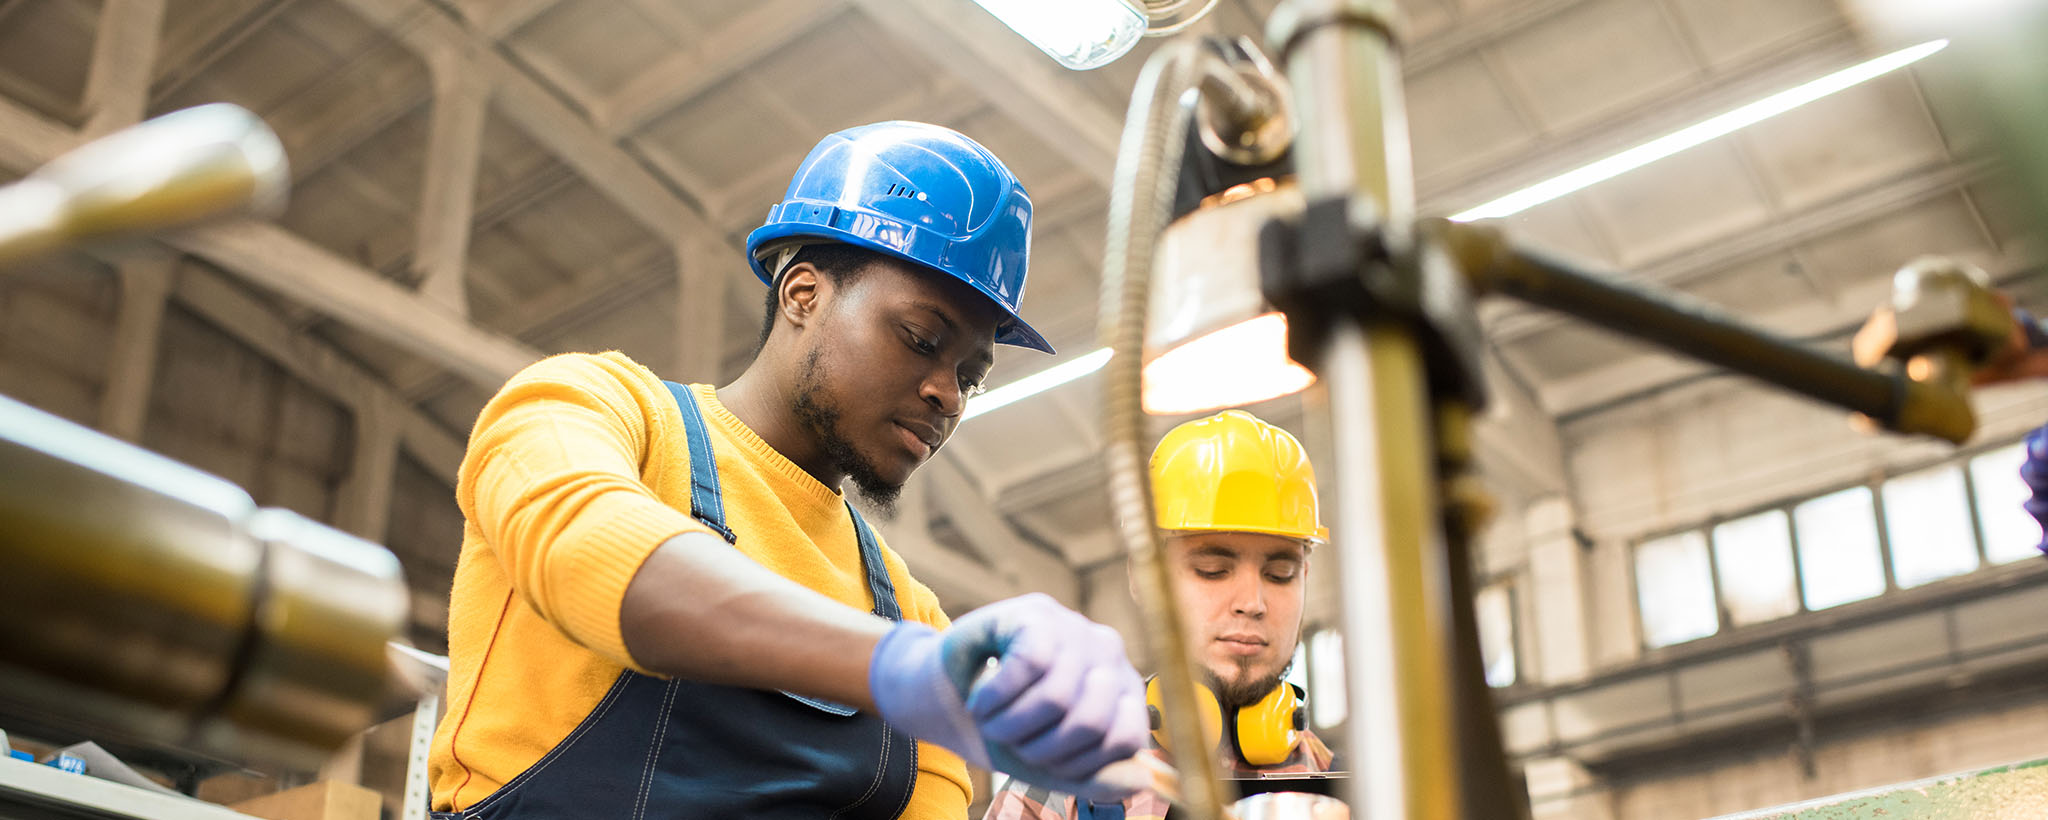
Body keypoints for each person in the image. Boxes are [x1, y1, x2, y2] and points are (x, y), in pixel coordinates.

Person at [426, 121, 1149, 820]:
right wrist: (897, 668)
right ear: (803, 293)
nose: (947, 393)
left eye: (972, 373)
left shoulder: (908, 606)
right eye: (922, 338)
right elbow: (594, 555)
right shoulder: (601, 410)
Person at [984, 410, 1338, 820]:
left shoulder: (1358, 788)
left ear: (1306, 577)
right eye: (1213, 570)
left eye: (1280, 575)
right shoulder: (1060, 781)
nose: (1252, 602)